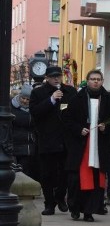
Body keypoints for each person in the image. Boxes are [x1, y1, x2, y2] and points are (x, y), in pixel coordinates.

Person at [63, 70, 110, 222]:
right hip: (81, 146)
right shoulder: (76, 98)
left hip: (99, 146)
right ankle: (75, 208)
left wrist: (106, 127)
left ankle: (89, 211)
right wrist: (78, 129)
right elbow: (66, 120)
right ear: (87, 81)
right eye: (93, 79)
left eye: (98, 79)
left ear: (102, 81)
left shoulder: (108, 99)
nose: (95, 82)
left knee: (96, 179)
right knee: (76, 180)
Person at [29, 66, 77, 215]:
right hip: (47, 139)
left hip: (65, 140)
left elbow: (76, 112)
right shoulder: (38, 93)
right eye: (53, 76)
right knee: (47, 173)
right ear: (47, 78)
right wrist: (51, 100)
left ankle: (60, 196)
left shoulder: (70, 92)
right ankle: (49, 203)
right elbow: (35, 112)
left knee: (65, 172)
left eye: (59, 76)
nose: (57, 79)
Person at [11, 84, 38, 181]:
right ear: (19, 96)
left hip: (27, 145)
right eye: (23, 98)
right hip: (13, 144)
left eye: (28, 99)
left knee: (25, 171)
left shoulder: (34, 108)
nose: (25, 101)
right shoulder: (11, 106)